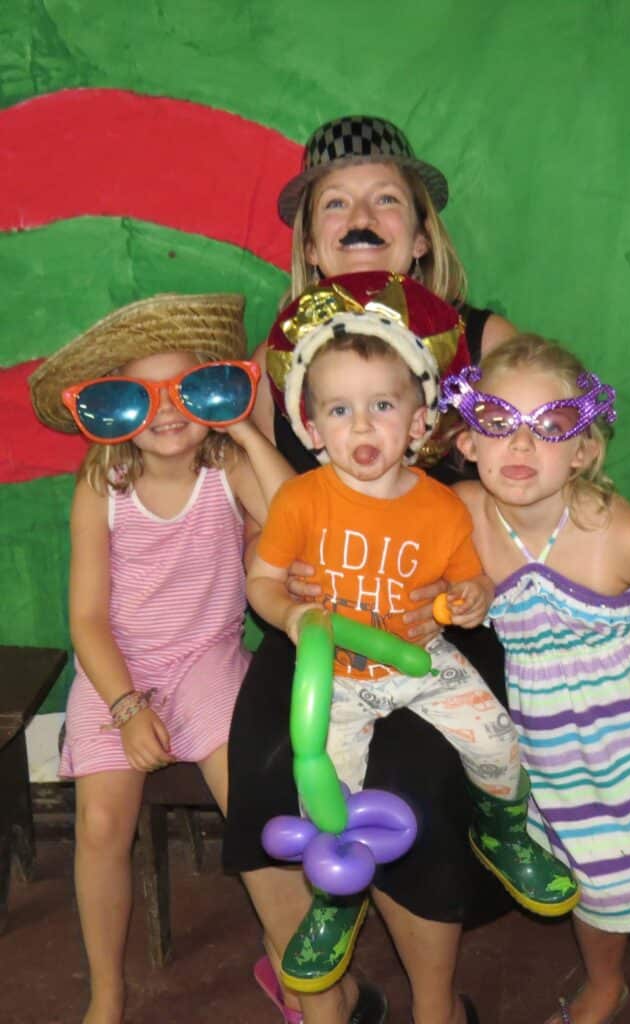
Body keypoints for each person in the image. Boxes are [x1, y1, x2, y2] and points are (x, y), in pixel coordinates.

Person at [223, 115, 517, 1024]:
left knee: (411, 777)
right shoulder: (273, 359)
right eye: (335, 204)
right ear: (310, 243)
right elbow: (255, 515)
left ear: (421, 232)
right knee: (269, 758)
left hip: (444, 623)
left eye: (386, 199)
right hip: (321, 626)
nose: (360, 215)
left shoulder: (481, 336)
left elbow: (533, 480)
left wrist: (461, 566)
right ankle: (329, 997)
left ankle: (435, 1006)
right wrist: (286, 591)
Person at [248, 272, 579, 923]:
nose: (362, 425)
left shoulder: (440, 505)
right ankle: (335, 887)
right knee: (323, 787)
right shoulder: (299, 500)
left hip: (424, 661)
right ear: (312, 429)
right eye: (339, 410)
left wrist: (470, 598)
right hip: (338, 676)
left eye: (382, 406)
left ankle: (503, 830)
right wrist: (289, 613)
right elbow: (260, 582)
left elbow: (469, 581)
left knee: (495, 741)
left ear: (420, 419)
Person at [29, 294, 294, 1024]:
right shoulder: (100, 484)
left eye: (187, 389)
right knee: (101, 827)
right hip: (117, 666)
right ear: (111, 410)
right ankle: (106, 996)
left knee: (252, 803)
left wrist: (241, 424)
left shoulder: (227, 467)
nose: (168, 411)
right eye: (139, 396)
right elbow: (85, 619)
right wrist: (125, 705)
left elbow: (300, 516)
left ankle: (297, 969)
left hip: (206, 656)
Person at [442, 334, 630, 1024]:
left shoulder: (619, 534)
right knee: (588, 879)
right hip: (557, 753)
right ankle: (605, 984)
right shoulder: (458, 515)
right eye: (498, 422)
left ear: (583, 449)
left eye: (551, 427)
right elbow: (380, 531)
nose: (519, 446)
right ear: (467, 439)